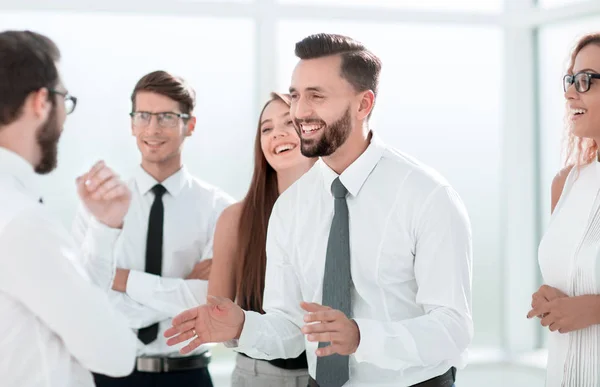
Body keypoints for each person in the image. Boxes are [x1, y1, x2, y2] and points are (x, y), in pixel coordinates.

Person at [165, 33, 472, 387]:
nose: (299, 111)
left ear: (363, 104)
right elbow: (291, 327)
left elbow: (454, 327)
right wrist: (243, 326)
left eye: (317, 96)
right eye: (296, 95)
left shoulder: (428, 196)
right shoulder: (292, 207)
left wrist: (361, 337)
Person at [72, 70, 234, 387]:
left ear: (190, 125)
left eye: (167, 118)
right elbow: (88, 296)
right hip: (109, 374)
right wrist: (180, 288)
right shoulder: (99, 204)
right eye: (143, 116)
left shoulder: (220, 208)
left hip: (187, 376)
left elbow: (211, 302)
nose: (152, 129)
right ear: (131, 123)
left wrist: (120, 279)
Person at [0, 30, 138, 386]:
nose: (65, 115)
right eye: (64, 98)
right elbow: (115, 353)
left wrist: (104, 228)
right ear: (40, 102)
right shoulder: (22, 221)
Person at [208, 92, 315, 386]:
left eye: (289, 123)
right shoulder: (236, 219)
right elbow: (216, 312)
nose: (277, 133)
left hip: (333, 374)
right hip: (258, 375)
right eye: (266, 128)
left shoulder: (340, 208)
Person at [527, 32, 600, 387]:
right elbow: (571, 276)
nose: (571, 92)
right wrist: (547, 297)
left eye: (585, 81)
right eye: (570, 80)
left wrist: (594, 309)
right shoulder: (566, 183)